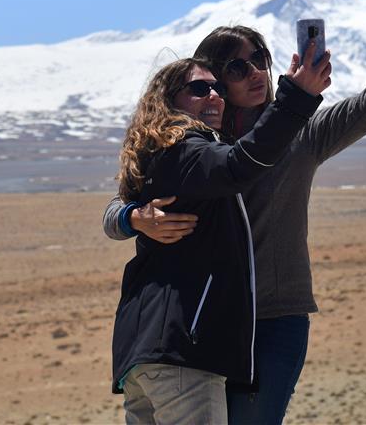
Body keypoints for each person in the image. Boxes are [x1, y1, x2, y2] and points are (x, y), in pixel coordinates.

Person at [106, 0, 366, 423]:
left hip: (276, 318)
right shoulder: (197, 144)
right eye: (237, 67)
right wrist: (132, 218)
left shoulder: (300, 133)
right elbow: (128, 194)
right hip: (213, 322)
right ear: (214, 82)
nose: (256, 72)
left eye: (261, 59)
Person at [112, 52, 331, 425]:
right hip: (183, 355)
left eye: (216, 89)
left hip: (143, 354)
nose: (214, 96)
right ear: (169, 100)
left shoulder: (155, 154)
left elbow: (117, 210)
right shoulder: (187, 149)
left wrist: (127, 216)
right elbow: (238, 165)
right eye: (199, 89)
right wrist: (296, 97)